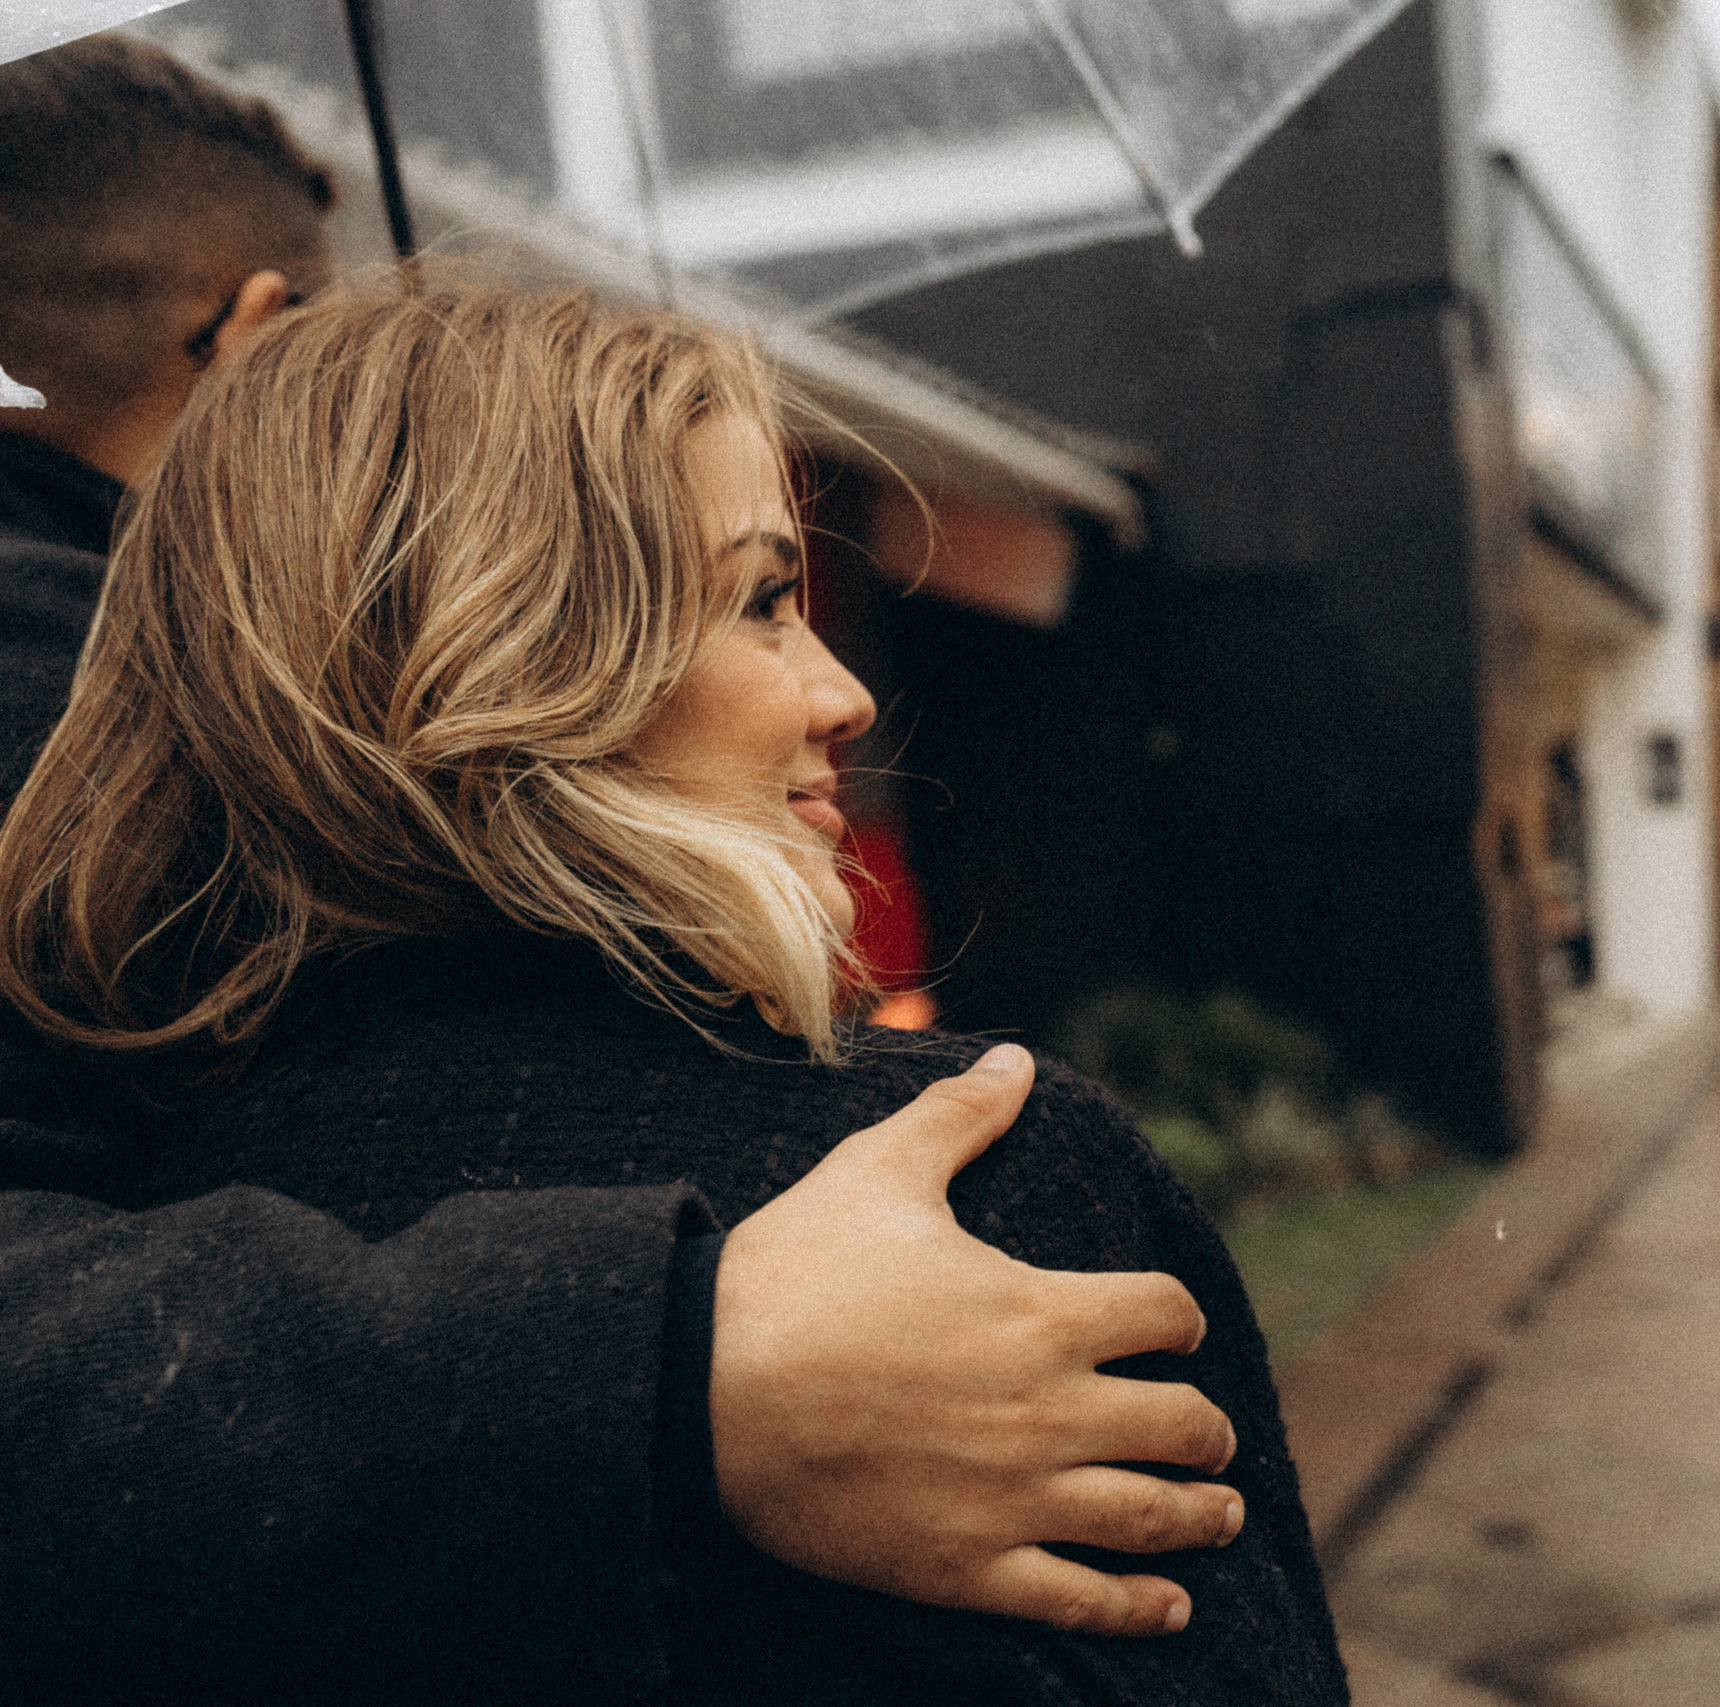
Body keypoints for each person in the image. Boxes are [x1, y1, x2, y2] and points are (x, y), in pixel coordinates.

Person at [0, 32, 1246, 1657]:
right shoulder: (54, 694)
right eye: (754, 597)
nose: (843, 693)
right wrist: (667, 1356)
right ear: (259, 339)